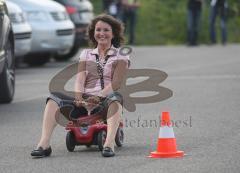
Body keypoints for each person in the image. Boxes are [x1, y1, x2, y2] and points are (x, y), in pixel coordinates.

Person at [31, 14, 130, 158]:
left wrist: (97, 97)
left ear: (113, 33)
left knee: (116, 99)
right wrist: (78, 98)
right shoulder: (86, 54)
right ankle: (44, 144)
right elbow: (80, 79)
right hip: (83, 102)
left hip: (105, 102)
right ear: (93, 33)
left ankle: (109, 144)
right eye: (98, 30)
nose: (101, 33)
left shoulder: (121, 54)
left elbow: (116, 83)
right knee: (53, 98)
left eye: (106, 30)